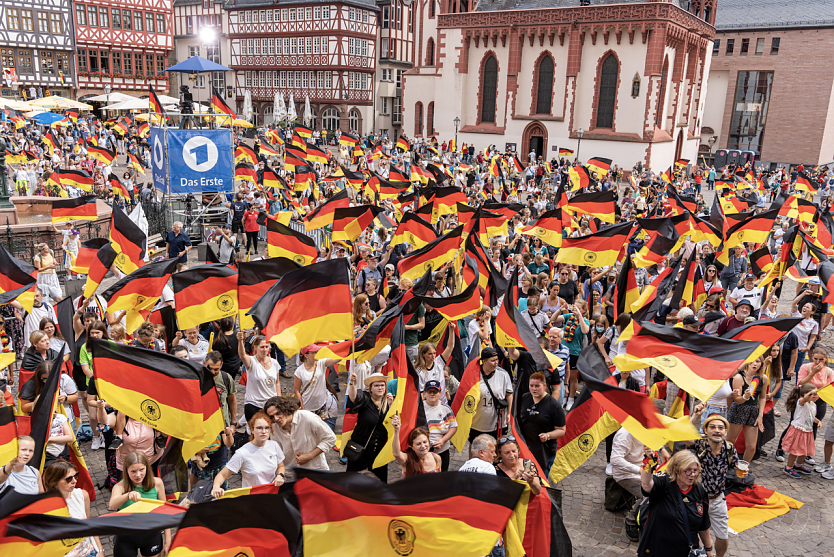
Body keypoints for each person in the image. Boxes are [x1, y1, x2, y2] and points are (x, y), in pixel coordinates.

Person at [686, 407, 742, 557]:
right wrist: (696, 416)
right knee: (689, 532)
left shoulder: (730, 449)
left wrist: (741, 472)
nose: (717, 430)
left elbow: (736, 469)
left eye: (720, 428)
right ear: (705, 431)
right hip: (696, 499)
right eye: (712, 427)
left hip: (717, 499)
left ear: (725, 432)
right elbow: (683, 435)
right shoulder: (700, 445)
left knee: (723, 536)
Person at [638, 449, 713, 557]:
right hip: (657, 550)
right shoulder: (664, 483)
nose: (692, 474)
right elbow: (647, 485)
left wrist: (709, 549)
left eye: (695, 470)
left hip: (685, 552)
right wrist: (648, 463)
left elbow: (703, 524)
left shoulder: (699, 490)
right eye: (687, 470)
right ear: (676, 469)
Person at [109, 451, 171, 557]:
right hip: (126, 537)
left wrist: (168, 540)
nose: (138, 475)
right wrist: (128, 495)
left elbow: (165, 513)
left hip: (151, 535)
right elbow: (112, 505)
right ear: (126, 471)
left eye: (142, 470)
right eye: (133, 471)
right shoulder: (120, 487)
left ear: (147, 467)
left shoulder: (157, 483)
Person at [211, 411, 286, 494]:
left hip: (271, 496)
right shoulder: (242, 453)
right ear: (252, 430)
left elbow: (280, 466)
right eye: (259, 428)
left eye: (267, 428)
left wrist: (280, 475)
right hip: (251, 499)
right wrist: (216, 487)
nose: (263, 431)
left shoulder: (274, 445)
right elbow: (222, 475)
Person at [42, 460, 101, 556]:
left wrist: (100, 550)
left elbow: (90, 524)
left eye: (76, 476)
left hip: (89, 552)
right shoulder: (46, 507)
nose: (75, 481)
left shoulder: (82, 495)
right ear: (54, 482)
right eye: (69, 479)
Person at [264, 395, 337, 471]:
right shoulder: (274, 428)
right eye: (272, 417)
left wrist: (310, 456)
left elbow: (330, 438)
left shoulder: (308, 418)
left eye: (278, 413)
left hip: (315, 470)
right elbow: (277, 453)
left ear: (284, 408)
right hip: (290, 474)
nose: (275, 418)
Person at [345, 372, 394, 482]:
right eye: (376, 385)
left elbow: (390, 425)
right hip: (361, 448)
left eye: (382, 385)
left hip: (379, 450)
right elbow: (353, 398)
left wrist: (391, 406)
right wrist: (353, 383)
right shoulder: (365, 398)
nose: (380, 388)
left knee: (380, 481)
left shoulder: (389, 402)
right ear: (370, 388)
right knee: (353, 480)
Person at [518, 372, 566, 472]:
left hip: (544, 449)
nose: (534, 389)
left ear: (544, 386)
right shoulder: (524, 398)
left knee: (541, 478)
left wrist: (548, 435)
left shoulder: (554, 406)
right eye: (531, 386)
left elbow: (561, 430)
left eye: (537, 386)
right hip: (526, 446)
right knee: (526, 475)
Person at [727, 357, 768, 466]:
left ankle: (742, 468)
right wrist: (745, 396)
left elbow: (763, 397)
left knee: (751, 447)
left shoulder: (763, 378)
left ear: (761, 364)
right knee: (730, 442)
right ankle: (725, 466)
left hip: (753, 411)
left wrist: (760, 416)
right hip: (739, 410)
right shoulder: (739, 377)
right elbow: (737, 400)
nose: (755, 364)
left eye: (758, 361)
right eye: (753, 361)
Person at [469, 347, 514, 444]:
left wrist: (509, 413)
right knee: (475, 446)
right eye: (493, 360)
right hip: (477, 422)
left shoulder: (503, 374)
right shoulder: (474, 374)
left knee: (497, 449)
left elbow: (509, 394)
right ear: (484, 361)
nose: (496, 363)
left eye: (497, 360)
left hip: (498, 422)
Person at [293, 344, 340, 430]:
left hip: (321, 406)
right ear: (306, 355)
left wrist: (347, 350)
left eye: (317, 351)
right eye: (314, 352)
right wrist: (302, 409)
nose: (317, 354)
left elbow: (336, 359)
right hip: (307, 407)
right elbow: (296, 391)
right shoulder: (299, 371)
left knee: (320, 429)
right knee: (309, 430)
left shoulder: (321, 363)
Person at [780, 384, 821, 478]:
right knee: (795, 451)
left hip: (807, 431)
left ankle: (798, 465)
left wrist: (818, 421)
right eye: (813, 394)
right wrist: (809, 394)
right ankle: (788, 468)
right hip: (798, 430)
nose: (815, 396)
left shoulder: (814, 405)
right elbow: (805, 399)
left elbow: (811, 416)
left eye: (816, 393)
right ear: (805, 394)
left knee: (805, 451)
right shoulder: (801, 402)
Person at [237, 332, 280, 420]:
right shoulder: (251, 361)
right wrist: (240, 340)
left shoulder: (274, 363)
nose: (264, 350)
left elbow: (277, 383)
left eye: (266, 347)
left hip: (271, 405)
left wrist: (278, 400)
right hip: (254, 405)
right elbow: (242, 355)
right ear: (255, 348)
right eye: (262, 347)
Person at [419, 379, 457, 471]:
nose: (432, 394)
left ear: (440, 393)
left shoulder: (446, 409)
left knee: (442, 477)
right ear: (424, 393)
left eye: (435, 391)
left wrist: (443, 440)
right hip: (423, 451)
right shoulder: (418, 408)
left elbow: (453, 426)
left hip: (442, 450)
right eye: (429, 391)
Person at [414, 323, 456, 404]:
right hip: (429, 406)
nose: (433, 356)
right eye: (430, 354)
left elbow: (450, 347)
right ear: (423, 354)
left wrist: (451, 330)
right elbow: (422, 395)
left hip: (443, 404)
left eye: (434, 353)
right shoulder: (419, 371)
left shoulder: (439, 362)